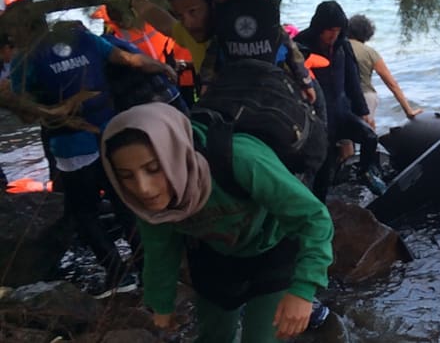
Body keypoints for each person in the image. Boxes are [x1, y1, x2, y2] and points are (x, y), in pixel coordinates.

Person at [101, 102, 334, 342]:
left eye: (153, 168)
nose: (143, 188)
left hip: (272, 249)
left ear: (175, 154)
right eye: (126, 176)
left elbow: (314, 218)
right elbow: (160, 250)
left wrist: (304, 290)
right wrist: (161, 304)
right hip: (213, 255)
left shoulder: (241, 159)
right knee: (214, 337)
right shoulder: (146, 202)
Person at [5, 0, 176, 298]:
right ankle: (148, 271)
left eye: (12, 31)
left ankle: (117, 274)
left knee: (82, 212)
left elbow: (27, 113)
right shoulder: (82, 39)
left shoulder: (25, 60)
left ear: (23, 28)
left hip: (72, 145)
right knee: (124, 204)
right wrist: (163, 68)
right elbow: (130, 60)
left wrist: (45, 108)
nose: (10, 37)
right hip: (110, 134)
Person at [295, 1, 386, 198]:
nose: (333, 35)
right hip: (317, 118)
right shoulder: (302, 45)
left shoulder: (343, 45)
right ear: (319, 27)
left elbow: (353, 81)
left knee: (370, 138)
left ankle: (364, 173)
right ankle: (320, 206)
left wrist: (363, 112)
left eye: (337, 30)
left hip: (342, 112)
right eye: (329, 30)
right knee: (323, 172)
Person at [198, 0, 315, 104]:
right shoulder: (274, 27)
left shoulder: (223, 26)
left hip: (232, 85)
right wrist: (306, 84)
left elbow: (210, 59)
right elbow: (294, 56)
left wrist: (206, 84)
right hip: (272, 83)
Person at [346, 14, 422, 127]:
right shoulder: (370, 52)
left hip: (341, 96)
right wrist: (408, 111)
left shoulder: (337, 47)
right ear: (368, 34)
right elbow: (392, 84)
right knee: (368, 129)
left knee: (345, 138)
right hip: (366, 96)